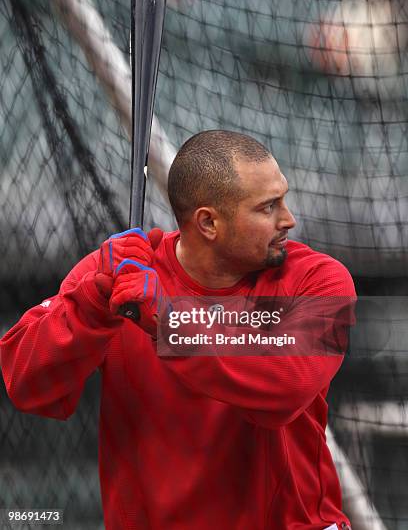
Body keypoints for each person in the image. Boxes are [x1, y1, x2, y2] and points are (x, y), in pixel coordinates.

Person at [0, 130, 354, 530]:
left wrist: (169, 324)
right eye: (268, 207)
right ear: (207, 223)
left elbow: (283, 387)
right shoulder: (121, 277)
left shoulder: (320, 280)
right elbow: (25, 382)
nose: (288, 219)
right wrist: (91, 307)